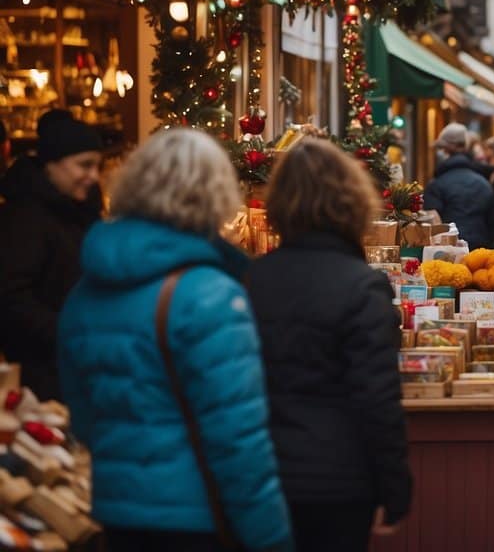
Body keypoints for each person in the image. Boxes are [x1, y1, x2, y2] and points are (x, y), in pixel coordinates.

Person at [58, 128, 291, 552]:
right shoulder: (210, 295)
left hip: (117, 510)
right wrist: (270, 536)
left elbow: (81, 406)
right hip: (197, 518)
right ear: (212, 194)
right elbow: (238, 439)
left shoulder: (87, 290)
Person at [249, 139, 411, 551]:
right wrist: (394, 488)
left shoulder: (250, 280)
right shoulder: (361, 286)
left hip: (262, 473)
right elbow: (378, 397)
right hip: (339, 481)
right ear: (351, 201)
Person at [0, 112, 103, 399]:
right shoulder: (24, 218)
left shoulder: (78, 210)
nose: (94, 176)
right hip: (43, 373)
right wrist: (73, 334)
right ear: (52, 164)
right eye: (84, 165)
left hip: (77, 361)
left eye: (97, 166)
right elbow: (12, 299)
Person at [424, 124, 494, 249]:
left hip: (448, 251)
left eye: (441, 148)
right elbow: (493, 220)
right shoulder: (483, 183)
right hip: (480, 251)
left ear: (446, 150)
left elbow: (432, 223)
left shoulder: (437, 185)